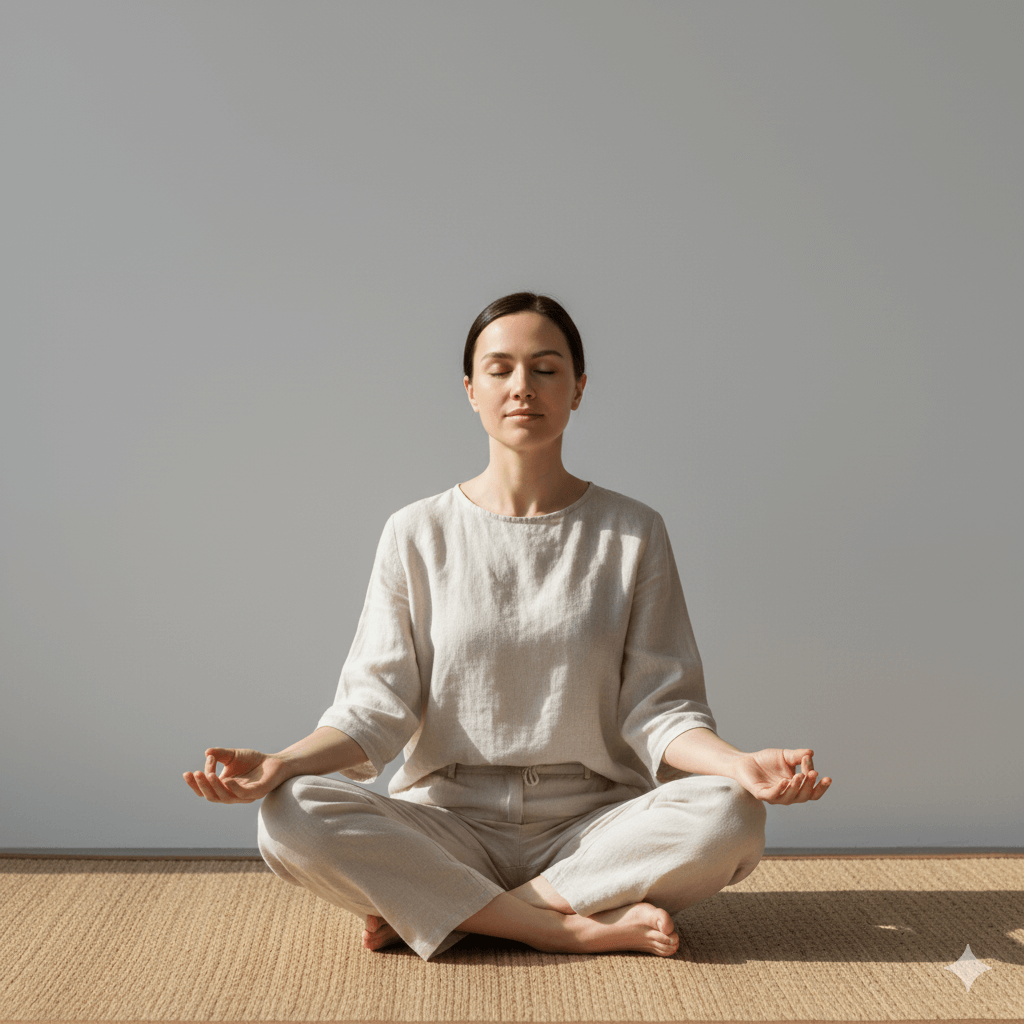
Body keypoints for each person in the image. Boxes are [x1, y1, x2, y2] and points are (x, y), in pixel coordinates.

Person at [183, 291, 832, 963]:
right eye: (500, 369)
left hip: (592, 832)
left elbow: (661, 710)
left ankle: (452, 911)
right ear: (471, 389)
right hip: (446, 827)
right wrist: (282, 763)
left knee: (731, 813)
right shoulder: (416, 532)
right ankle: (556, 926)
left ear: (578, 389)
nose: (523, 387)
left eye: (546, 369)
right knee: (289, 812)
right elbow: (374, 709)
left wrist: (739, 765)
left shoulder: (633, 532)